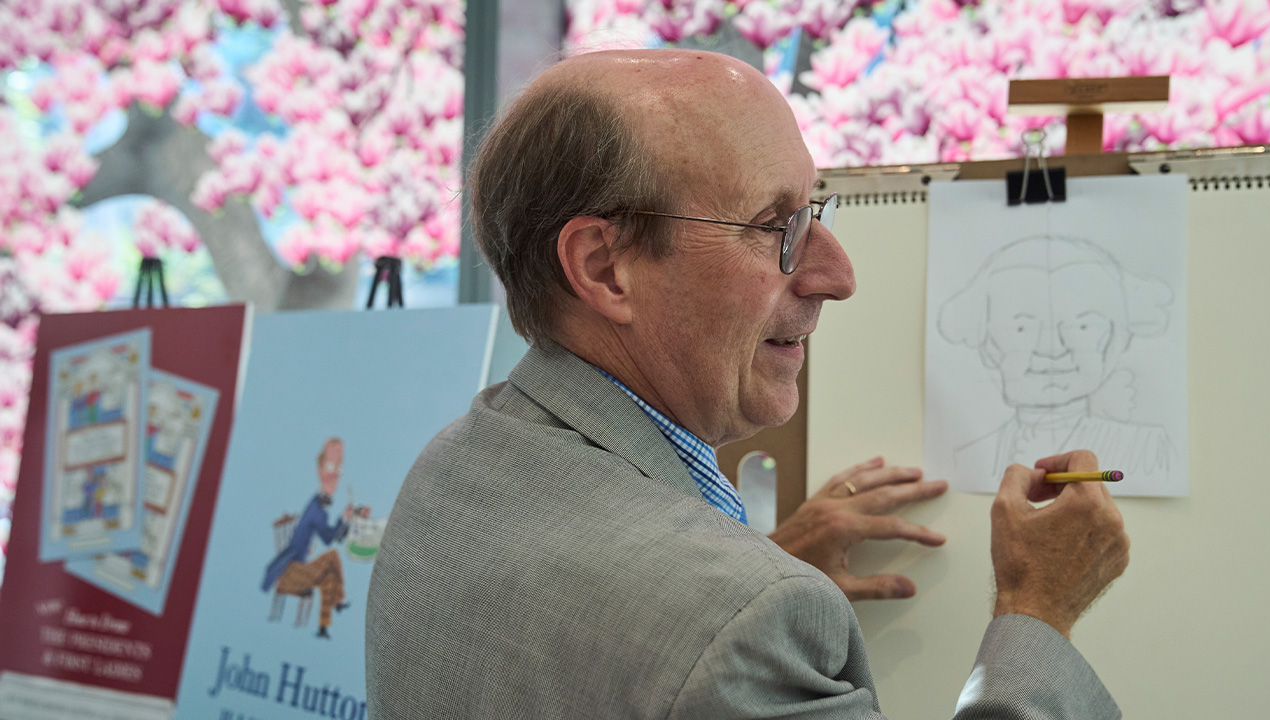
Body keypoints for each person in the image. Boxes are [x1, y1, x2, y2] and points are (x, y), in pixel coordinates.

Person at [366, 49, 1129, 718]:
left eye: (815, 210)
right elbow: (691, 630)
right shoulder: (742, 618)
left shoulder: (450, 470)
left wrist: (755, 556)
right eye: (776, 225)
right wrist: (1038, 613)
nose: (838, 275)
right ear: (604, 268)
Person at [939, 234, 1173, 483]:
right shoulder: (964, 460)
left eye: (1082, 327)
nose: (1051, 350)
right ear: (987, 345)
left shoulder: (1148, 449)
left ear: (1116, 339)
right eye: (1021, 328)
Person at [263, 437, 366, 638]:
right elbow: (328, 538)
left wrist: (344, 519)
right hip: (290, 572)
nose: (335, 475)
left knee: (329, 573)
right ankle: (337, 602)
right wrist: (344, 519)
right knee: (332, 558)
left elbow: (327, 536)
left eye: (339, 468)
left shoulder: (318, 506)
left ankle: (323, 627)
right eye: (330, 466)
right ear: (319, 470)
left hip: (298, 568)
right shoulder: (316, 509)